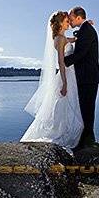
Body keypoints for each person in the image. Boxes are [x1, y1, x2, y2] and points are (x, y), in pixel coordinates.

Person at [20, 11, 84, 155]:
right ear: (60, 23)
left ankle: (65, 129)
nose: (69, 22)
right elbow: (61, 62)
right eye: (67, 21)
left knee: (67, 107)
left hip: (71, 74)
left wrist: (85, 27)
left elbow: (73, 40)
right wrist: (65, 83)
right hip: (65, 75)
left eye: (69, 20)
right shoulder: (59, 40)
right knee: (64, 106)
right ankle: (60, 133)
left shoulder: (62, 38)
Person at [64, 6, 99, 151]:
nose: (70, 21)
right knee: (85, 109)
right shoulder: (85, 29)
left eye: (72, 19)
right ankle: (87, 139)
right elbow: (79, 38)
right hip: (86, 77)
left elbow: (80, 54)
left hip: (88, 78)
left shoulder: (87, 31)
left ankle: (87, 141)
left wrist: (63, 62)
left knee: (87, 109)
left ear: (79, 18)